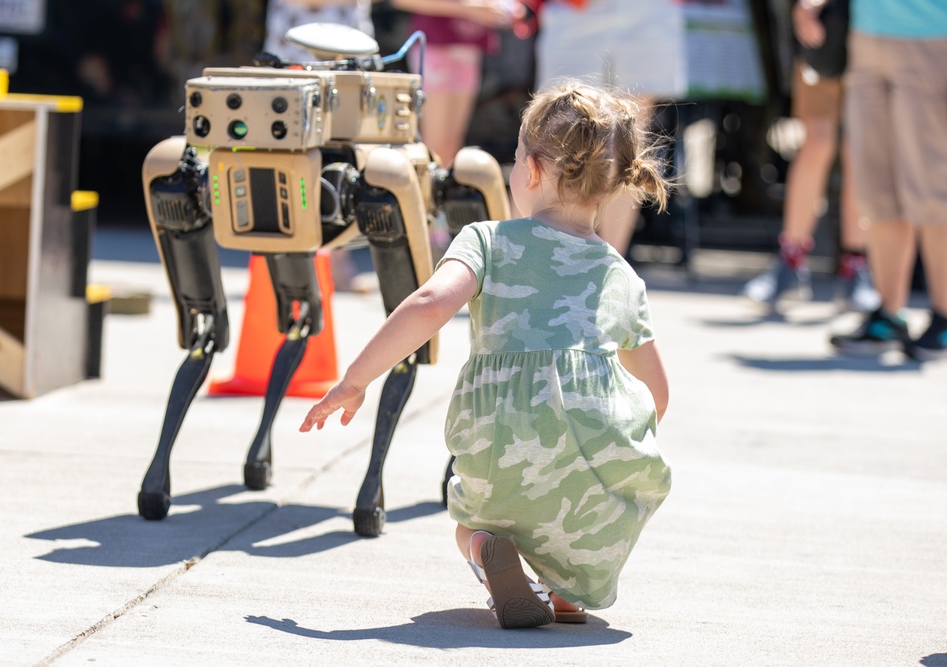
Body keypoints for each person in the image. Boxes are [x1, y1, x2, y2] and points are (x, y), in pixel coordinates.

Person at [301, 82, 673, 628]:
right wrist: (604, 447)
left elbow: (430, 303)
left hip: (499, 443)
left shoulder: (488, 240)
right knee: (592, 517)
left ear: (533, 171)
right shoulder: (619, 273)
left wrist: (356, 379)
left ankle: (485, 548)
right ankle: (567, 588)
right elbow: (657, 396)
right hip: (595, 454)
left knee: (469, 520)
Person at [742, 0, 879, 312]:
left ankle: (856, 266)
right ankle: (790, 260)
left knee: (858, 145)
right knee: (817, 141)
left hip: (877, 25)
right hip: (828, 24)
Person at [829, 0, 947, 359]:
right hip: (865, 35)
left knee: (933, 185)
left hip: (931, 36)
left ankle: (944, 317)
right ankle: (889, 315)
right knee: (876, 188)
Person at [533, 0, 685, 254]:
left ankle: (611, 271)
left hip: (645, 12)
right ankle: (525, 263)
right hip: (574, 12)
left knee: (628, 143)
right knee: (551, 130)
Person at [262, 0, 377, 292]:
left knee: (344, 161)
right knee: (290, 158)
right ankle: (294, 268)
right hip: (296, 57)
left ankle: (338, 265)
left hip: (349, 51)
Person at [389, 0, 524, 169]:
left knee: (452, 146)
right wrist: (469, 9)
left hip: (468, 47)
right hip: (435, 46)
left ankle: (437, 193)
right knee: (434, 147)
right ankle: (426, 194)